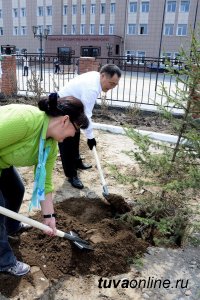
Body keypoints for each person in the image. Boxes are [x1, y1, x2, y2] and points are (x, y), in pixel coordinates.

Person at [0, 94, 89, 276]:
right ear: (65, 120)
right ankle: (3, 261)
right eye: (73, 132)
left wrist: (49, 216)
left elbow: (44, 183)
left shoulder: (50, 145)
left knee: (16, 190)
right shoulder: (25, 120)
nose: (70, 137)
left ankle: (11, 227)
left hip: (2, 162)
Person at [57, 63, 121, 189]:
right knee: (67, 141)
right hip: (63, 106)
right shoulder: (91, 88)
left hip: (73, 105)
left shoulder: (96, 77)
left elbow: (83, 115)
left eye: (115, 84)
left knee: (75, 133)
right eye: (111, 83)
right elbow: (86, 115)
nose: (112, 87)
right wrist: (90, 137)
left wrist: (88, 135)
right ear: (103, 76)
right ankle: (71, 175)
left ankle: (77, 161)